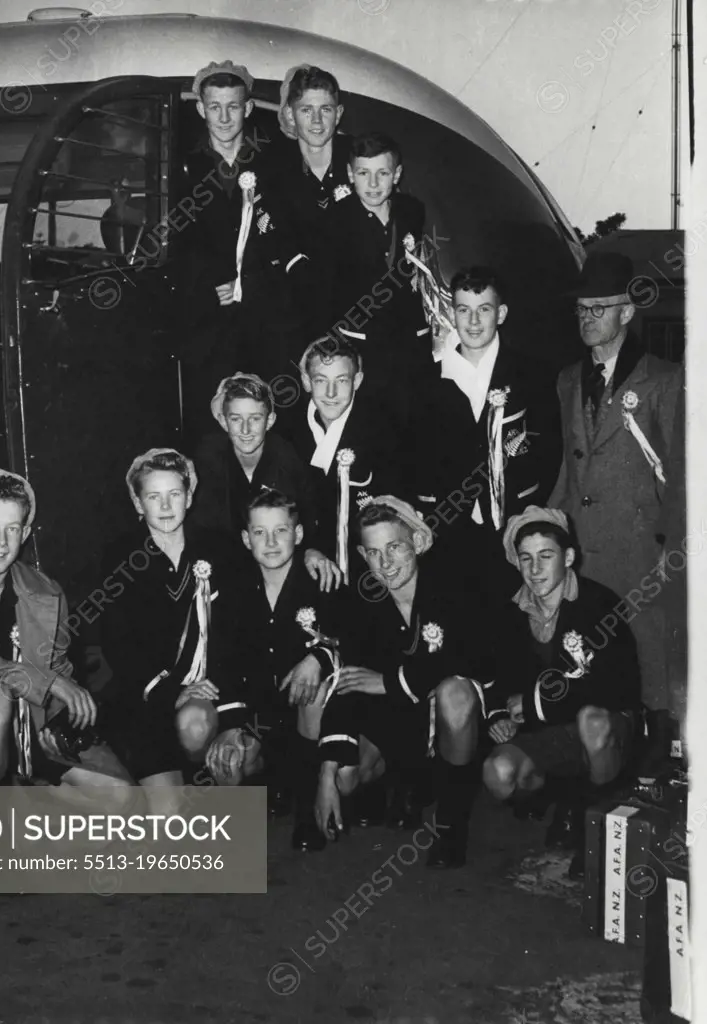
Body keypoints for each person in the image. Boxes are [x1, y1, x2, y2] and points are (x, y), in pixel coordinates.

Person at [549, 250, 683, 754]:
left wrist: (673, 547)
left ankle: (653, 772)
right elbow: (568, 466)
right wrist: (542, 526)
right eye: (581, 309)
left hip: (641, 554)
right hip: (581, 550)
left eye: (599, 308)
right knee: (581, 663)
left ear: (627, 312)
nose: (587, 318)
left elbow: (680, 477)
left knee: (649, 666)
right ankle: (580, 781)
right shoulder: (567, 380)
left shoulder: (664, 381)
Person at [315, 497, 491, 869]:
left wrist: (392, 682)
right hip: (395, 725)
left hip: (446, 721)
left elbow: (472, 655)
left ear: (418, 543)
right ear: (363, 555)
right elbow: (349, 682)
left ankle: (451, 822)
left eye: (394, 547)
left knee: (455, 695)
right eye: (374, 552)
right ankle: (393, 785)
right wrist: (327, 769)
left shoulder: (454, 585)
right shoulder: (362, 602)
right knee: (345, 778)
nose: (385, 563)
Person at [0, 467, 132, 801]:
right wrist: (48, 683)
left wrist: (58, 724)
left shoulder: (45, 591)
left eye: (12, 528)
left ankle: (27, 816)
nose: (1, 542)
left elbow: (59, 671)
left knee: (123, 800)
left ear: (25, 532)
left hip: (29, 727)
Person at [482, 506, 642, 877]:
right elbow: (490, 675)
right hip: (551, 734)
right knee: (498, 772)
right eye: (526, 558)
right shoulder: (509, 612)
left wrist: (534, 706)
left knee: (591, 721)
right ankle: (559, 795)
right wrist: (499, 716)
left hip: (607, 727)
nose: (535, 569)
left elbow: (612, 689)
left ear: (569, 557)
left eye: (546, 556)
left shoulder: (600, 604)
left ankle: (595, 825)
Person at [100, 448, 249, 812]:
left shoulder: (220, 549)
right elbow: (118, 646)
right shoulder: (120, 557)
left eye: (175, 494)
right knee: (167, 817)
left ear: (190, 496)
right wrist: (169, 691)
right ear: (138, 502)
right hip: (148, 699)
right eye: (154, 496)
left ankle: (207, 778)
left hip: (207, 696)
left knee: (200, 729)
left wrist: (230, 714)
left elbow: (237, 635)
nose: (165, 506)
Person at [414, 265, 562, 593]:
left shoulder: (531, 374)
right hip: (446, 531)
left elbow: (549, 448)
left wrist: (528, 506)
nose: (474, 322)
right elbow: (413, 454)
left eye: (484, 310)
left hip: (512, 528)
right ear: (452, 314)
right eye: (464, 310)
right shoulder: (426, 379)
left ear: (502, 313)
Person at [214, 489, 346, 852]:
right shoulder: (234, 590)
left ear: (299, 535)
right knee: (227, 760)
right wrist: (231, 726)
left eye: (281, 531)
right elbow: (221, 659)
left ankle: (306, 812)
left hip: (304, 710)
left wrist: (317, 658)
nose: (270, 542)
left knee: (314, 691)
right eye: (259, 532)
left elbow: (344, 637)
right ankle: (258, 801)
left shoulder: (321, 580)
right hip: (259, 712)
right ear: (246, 538)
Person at [180, 60, 305, 435]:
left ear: (247, 109)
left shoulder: (276, 162)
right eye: (214, 106)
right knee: (216, 420)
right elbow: (180, 244)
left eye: (233, 106)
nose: (223, 117)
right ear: (201, 109)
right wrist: (207, 285)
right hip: (212, 321)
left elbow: (288, 233)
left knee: (272, 415)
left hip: (267, 316)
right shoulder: (183, 168)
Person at [190, 372, 340, 588]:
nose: (245, 430)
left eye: (255, 418)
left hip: (279, 567)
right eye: (236, 419)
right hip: (221, 572)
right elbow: (201, 529)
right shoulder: (206, 459)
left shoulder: (289, 459)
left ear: (270, 420)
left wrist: (311, 548)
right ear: (223, 421)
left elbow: (311, 515)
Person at [327, 131, 433, 415]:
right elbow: (323, 287)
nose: (373, 184)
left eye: (382, 173)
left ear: (397, 174)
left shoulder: (412, 210)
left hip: (410, 340)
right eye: (363, 173)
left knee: (414, 421)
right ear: (350, 174)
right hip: (362, 343)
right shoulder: (335, 220)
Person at [292, 335, 408, 577]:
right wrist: (307, 548)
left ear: (357, 380)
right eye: (321, 380)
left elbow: (394, 510)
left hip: (371, 563)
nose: (331, 393)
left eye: (342, 380)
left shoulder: (384, 432)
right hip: (308, 559)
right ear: (305, 381)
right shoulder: (290, 432)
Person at [273, 64, 351, 341]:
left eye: (326, 110)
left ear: (338, 114)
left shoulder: (360, 160)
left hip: (358, 307)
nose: (317, 121)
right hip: (295, 310)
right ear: (290, 115)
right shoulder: (273, 167)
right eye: (307, 110)